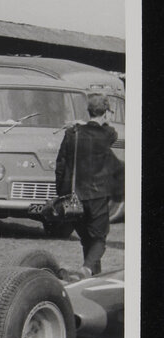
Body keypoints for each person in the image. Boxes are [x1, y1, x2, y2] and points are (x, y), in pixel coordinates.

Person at [54, 93, 125, 280]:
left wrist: (61, 193)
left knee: (86, 238)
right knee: (99, 238)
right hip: (98, 194)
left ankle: (93, 276)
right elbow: (110, 131)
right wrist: (93, 122)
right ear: (106, 112)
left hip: (74, 195)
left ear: (88, 111)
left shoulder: (72, 134)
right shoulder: (108, 134)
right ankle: (86, 270)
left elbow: (60, 166)